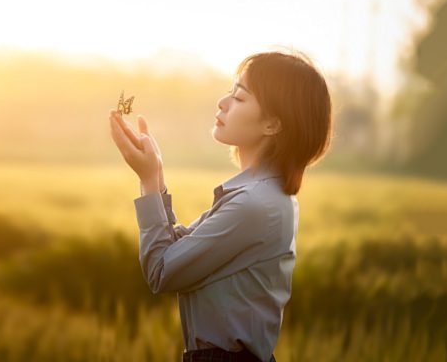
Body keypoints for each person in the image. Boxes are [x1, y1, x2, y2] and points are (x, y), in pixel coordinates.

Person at [108, 49, 333, 362]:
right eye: (231, 91)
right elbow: (176, 249)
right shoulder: (258, 196)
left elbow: (161, 270)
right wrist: (155, 176)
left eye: (239, 98)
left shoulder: (254, 205)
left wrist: (148, 182)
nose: (223, 102)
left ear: (272, 124)